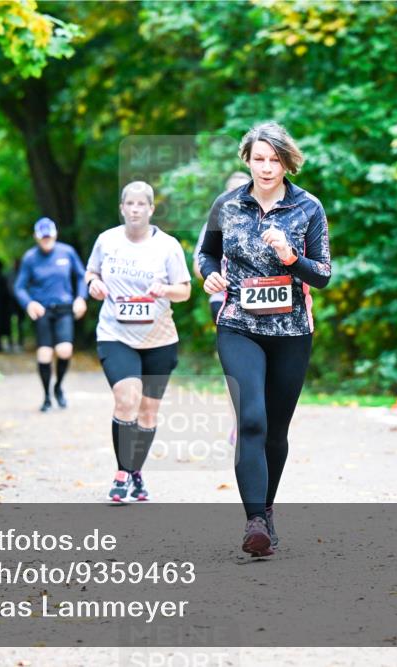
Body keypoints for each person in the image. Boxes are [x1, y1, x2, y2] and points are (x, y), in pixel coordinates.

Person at [198, 122, 331, 557]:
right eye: (259, 158)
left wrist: (291, 258)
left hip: (292, 330)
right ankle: (253, 521)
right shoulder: (228, 205)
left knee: (276, 430)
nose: (267, 167)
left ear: (286, 161)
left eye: (275, 159)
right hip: (238, 324)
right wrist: (208, 275)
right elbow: (205, 252)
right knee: (251, 419)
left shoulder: (308, 207)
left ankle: (267, 508)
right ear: (247, 160)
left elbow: (324, 275)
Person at [85, 181, 191, 503]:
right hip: (116, 334)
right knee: (126, 400)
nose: (134, 209)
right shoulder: (107, 241)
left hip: (159, 339)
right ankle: (121, 473)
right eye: (129, 204)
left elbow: (185, 291)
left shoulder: (168, 246)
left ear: (151, 209)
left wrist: (165, 291)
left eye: (141, 204)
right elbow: (91, 273)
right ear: (121, 208)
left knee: (147, 414)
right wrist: (94, 285)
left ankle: (136, 471)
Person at [14, 218, 88, 411]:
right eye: (43, 238)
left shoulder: (67, 252)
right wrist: (29, 303)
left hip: (64, 308)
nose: (46, 240)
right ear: (36, 238)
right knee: (45, 354)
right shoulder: (30, 258)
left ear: (55, 234)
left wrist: (81, 298)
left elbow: (81, 276)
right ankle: (46, 396)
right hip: (43, 310)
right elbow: (19, 287)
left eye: (49, 236)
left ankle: (58, 387)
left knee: (65, 350)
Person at [194, 171, 250, 323]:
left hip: (257, 298)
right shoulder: (212, 225)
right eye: (233, 191)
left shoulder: (265, 221)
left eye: (244, 190)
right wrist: (217, 277)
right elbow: (198, 267)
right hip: (223, 298)